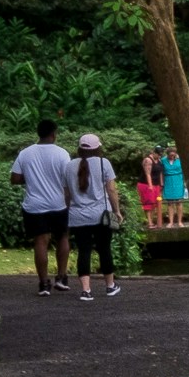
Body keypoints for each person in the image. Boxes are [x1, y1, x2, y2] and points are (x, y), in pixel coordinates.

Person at [11, 119, 78, 295]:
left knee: (40, 241)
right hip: (58, 204)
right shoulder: (62, 153)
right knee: (63, 237)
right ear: (54, 133)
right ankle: (61, 277)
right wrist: (70, 202)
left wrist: (31, 178)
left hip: (34, 205)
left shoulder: (25, 153)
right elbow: (67, 181)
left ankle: (43, 284)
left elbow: (15, 179)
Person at [65, 132, 120, 302]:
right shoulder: (104, 163)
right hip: (100, 215)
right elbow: (111, 190)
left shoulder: (69, 166)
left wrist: (66, 212)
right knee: (104, 248)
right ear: (98, 148)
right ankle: (110, 286)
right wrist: (117, 211)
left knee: (84, 251)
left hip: (77, 216)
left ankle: (86, 290)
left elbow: (66, 193)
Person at [159, 145, 187, 230]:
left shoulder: (179, 159)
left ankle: (179, 221)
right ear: (167, 154)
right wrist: (161, 182)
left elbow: (185, 170)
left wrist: (185, 181)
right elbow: (161, 172)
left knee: (179, 201)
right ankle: (171, 222)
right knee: (170, 202)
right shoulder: (163, 160)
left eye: (173, 155)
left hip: (178, 179)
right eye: (170, 155)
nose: (172, 156)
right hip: (168, 180)